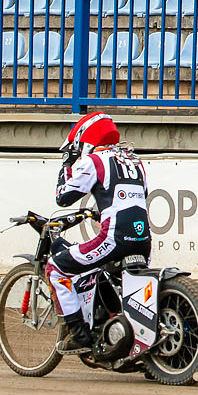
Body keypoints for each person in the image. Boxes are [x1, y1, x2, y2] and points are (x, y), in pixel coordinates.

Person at [43, 111, 154, 355]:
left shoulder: (94, 161)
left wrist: (67, 163)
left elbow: (63, 197)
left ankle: (80, 335)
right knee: (101, 271)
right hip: (143, 240)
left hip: (114, 238)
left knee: (55, 268)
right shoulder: (135, 161)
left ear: (84, 141)